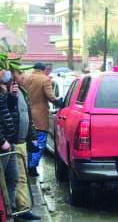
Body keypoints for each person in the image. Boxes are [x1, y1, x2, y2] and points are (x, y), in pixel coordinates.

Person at [8, 70, 41, 220]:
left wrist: (32, 136)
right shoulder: (9, 92)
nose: (24, 76)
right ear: (13, 76)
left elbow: (28, 116)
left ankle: (22, 208)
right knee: (19, 177)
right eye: (20, 73)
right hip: (14, 142)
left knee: (21, 177)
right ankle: (22, 209)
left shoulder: (23, 92)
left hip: (22, 141)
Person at [23, 63, 57, 177]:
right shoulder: (45, 79)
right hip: (40, 117)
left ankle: (27, 166)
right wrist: (58, 101)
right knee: (40, 143)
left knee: (29, 143)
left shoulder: (26, 78)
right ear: (43, 70)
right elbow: (51, 97)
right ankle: (32, 167)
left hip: (26, 116)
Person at [0, 69, 18, 217]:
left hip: (9, 141)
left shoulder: (4, 91)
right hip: (3, 144)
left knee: (13, 177)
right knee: (2, 183)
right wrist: (1, 140)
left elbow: (9, 111)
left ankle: (10, 211)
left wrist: (12, 96)